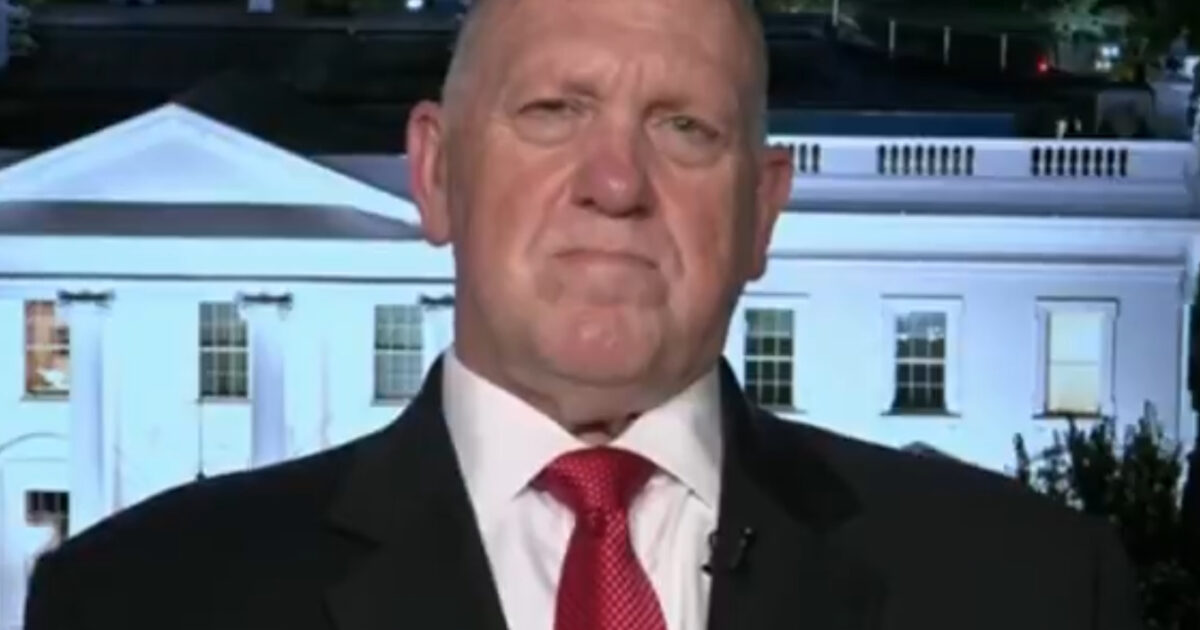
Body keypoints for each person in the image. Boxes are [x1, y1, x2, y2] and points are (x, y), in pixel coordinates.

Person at [25, 0, 1143, 628]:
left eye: (685, 129)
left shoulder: (1027, 591)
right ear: (436, 175)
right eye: (554, 112)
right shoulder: (144, 604)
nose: (616, 183)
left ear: (763, 211)